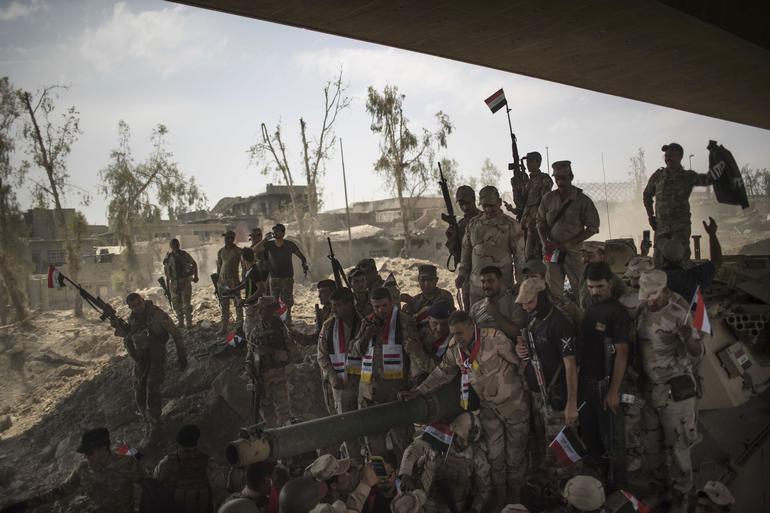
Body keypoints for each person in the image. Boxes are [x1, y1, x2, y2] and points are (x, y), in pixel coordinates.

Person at [402, 310, 529, 505]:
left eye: (460, 333)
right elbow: (442, 373)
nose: (456, 337)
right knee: (495, 457)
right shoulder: (455, 349)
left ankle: (515, 500)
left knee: (515, 458)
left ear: (472, 327)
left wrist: (524, 394)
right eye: (453, 333)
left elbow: (519, 363)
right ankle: (501, 500)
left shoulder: (494, 339)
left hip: (514, 406)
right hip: (488, 408)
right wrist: (419, 391)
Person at [636, 270, 703, 513]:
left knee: (678, 446)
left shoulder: (679, 311)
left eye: (654, 294)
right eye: (647, 295)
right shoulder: (641, 310)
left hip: (676, 389)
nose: (650, 299)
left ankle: (681, 497)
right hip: (651, 389)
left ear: (664, 289)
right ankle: (661, 489)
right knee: (651, 444)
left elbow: (697, 352)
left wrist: (689, 340)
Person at [513, 277, 578, 483]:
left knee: (562, 455)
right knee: (543, 449)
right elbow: (532, 353)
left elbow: (571, 365)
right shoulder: (532, 319)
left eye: (530, 302)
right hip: (538, 395)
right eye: (523, 303)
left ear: (542, 298)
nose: (525, 307)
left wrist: (571, 404)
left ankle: (569, 494)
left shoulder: (560, 323)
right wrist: (521, 349)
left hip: (557, 397)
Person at [349, 287, 420, 458]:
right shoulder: (367, 322)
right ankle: (380, 481)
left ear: (391, 303)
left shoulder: (404, 322)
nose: (380, 310)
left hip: (395, 393)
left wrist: (414, 386)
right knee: (374, 447)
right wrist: (366, 336)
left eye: (384, 306)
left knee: (402, 444)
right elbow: (354, 352)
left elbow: (414, 355)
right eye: (376, 307)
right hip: (369, 394)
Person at [578, 262, 630, 485]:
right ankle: (596, 487)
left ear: (609, 283)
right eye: (591, 287)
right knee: (591, 438)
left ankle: (620, 488)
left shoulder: (617, 312)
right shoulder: (590, 304)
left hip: (606, 385)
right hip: (587, 383)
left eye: (599, 286)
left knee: (614, 441)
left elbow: (622, 354)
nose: (595, 291)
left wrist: (614, 391)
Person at [115, 292, 188, 446]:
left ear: (143, 301)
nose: (137, 308)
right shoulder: (132, 319)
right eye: (133, 306)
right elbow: (129, 340)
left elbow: (175, 333)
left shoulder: (157, 315)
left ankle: (155, 427)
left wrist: (182, 355)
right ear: (129, 307)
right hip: (142, 359)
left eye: (139, 304)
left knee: (152, 389)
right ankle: (148, 423)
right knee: (138, 391)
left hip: (157, 357)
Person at [38, 427, 148, 513]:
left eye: (90, 453)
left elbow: (148, 483)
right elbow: (63, 490)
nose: (86, 457)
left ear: (103, 449)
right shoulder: (84, 468)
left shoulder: (126, 462)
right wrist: (32, 503)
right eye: (85, 453)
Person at [398, 412, 490, 513]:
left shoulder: (476, 455)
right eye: (462, 439)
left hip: (455, 507)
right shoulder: (439, 436)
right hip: (426, 499)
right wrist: (405, 473)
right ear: (454, 432)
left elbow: (484, 488)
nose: (465, 444)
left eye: (469, 441)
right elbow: (414, 449)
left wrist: (475, 509)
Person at [537, 161, 600, 301]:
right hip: (552, 250)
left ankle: (582, 317)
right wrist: (544, 242)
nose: (559, 181)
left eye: (563, 178)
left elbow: (593, 228)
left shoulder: (582, 201)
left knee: (581, 290)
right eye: (557, 178)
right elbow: (540, 222)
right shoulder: (548, 199)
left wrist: (569, 243)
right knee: (553, 290)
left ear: (571, 176)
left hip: (574, 252)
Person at [456, 185, 526, 306]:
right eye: (485, 206)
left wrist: (520, 282)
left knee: (502, 320)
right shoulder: (473, 224)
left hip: (502, 287)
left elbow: (519, 256)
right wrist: (462, 273)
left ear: (499, 202)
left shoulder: (511, 225)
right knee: (477, 320)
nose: (488, 209)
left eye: (491, 205)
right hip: (477, 287)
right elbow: (465, 251)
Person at [644, 143, 713, 264]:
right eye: (666, 155)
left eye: (672, 155)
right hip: (661, 227)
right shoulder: (658, 176)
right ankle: (661, 283)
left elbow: (707, 180)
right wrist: (651, 216)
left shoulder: (688, 176)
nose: (667, 158)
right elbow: (646, 195)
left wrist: (718, 164)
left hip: (680, 227)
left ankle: (683, 282)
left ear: (680, 157)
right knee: (658, 261)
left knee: (681, 260)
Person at [317, 287, 363, 457]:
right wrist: (332, 376)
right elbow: (322, 357)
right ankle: (354, 462)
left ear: (349, 305)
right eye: (332, 305)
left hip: (362, 383)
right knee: (346, 428)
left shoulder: (364, 323)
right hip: (341, 385)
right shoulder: (328, 327)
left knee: (366, 425)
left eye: (337, 305)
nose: (333, 309)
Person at [245, 296, 295, 427]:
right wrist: (249, 366)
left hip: (278, 377)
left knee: (283, 414)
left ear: (270, 310)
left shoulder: (282, 329)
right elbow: (250, 353)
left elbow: (291, 355)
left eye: (262, 309)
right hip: (260, 378)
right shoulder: (255, 332)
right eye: (259, 310)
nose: (259, 312)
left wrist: (271, 351)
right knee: (266, 416)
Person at [154, 424, 226, 513]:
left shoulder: (210, 465)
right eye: (186, 451)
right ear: (178, 448)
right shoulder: (166, 465)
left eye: (195, 450)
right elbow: (156, 493)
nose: (192, 455)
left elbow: (220, 496)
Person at [253, 224, 309, 325]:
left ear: (283, 233)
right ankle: (277, 321)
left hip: (287, 278)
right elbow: (255, 249)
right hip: (274, 278)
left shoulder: (289, 244)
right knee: (274, 302)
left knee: (287, 300)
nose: (275, 233)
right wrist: (265, 239)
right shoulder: (269, 245)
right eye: (274, 231)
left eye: (277, 231)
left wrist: (304, 265)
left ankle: (287, 320)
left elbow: (301, 256)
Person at [659, 217, 721, 302]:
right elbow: (716, 261)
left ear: (663, 257)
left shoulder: (653, 280)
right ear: (681, 259)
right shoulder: (691, 278)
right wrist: (712, 234)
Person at [444, 185, 481, 310]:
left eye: (467, 203)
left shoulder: (484, 220)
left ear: (474, 199)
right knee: (468, 307)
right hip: (466, 273)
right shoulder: (460, 225)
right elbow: (455, 252)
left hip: (484, 269)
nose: (465, 207)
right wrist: (451, 237)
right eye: (461, 204)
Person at [469, 266, 527, 341]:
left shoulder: (515, 303)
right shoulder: (476, 307)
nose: (486, 285)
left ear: (500, 281)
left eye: (490, 281)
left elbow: (518, 333)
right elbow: (470, 333)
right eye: (483, 282)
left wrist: (496, 315)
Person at [400, 264, 454, 341]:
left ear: (436, 280)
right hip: (420, 339)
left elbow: (437, 311)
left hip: (441, 337)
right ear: (418, 280)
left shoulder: (444, 295)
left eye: (430, 280)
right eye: (423, 280)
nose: (426, 284)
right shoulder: (416, 298)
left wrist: (413, 303)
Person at [407, 300, 454, 382]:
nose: (439, 329)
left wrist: (417, 353)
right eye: (435, 323)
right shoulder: (420, 321)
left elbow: (440, 370)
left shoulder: (454, 340)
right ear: (428, 319)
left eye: (444, 324)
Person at [520, 152, 554, 260]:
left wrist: (539, 219)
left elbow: (546, 201)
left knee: (537, 253)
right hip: (525, 219)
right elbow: (522, 201)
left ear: (538, 162)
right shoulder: (526, 180)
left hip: (537, 220)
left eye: (530, 161)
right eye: (527, 162)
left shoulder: (545, 179)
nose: (528, 164)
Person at [578, 241, 626, 309]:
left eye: (590, 255)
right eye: (583, 256)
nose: (584, 260)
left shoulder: (613, 281)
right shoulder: (584, 277)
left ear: (602, 257)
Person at [228, 247, 265, 338]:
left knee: (251, 331)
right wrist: (235, 289)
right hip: (250, 303)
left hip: (254, 304)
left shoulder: (254, 271)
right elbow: (247, 283)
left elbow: (261, 289)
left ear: (243, 258)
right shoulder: (250, 270)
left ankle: (252, 349)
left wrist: (246, 300)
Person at [163, 238, 199, 328]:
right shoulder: (168, 257)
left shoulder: (184, 255)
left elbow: (194, 264)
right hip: (174, 283)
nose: (175, 246)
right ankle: (181, 322)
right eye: (173, 245)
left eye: (176, 244)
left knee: (186, 304)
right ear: (171, 246)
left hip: (184, 282)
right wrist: (167, 287)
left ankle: (189, 323)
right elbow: (167, 273)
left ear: (179, 245)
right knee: (176, 304)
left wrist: (196, 276)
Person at [293, 280, 338, 347]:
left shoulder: (338, 311)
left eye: (323, 292)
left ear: (332, 293)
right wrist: (298, 336)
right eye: (319, 292)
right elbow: (318, 337)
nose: (319, 296)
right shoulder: (324, 311)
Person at [217, 230, 243, 334]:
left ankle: (240, 326)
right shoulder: (221, 251)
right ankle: (224, 327)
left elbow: (244, 265)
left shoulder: (238, 251)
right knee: (224, 306)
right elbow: (219, 267)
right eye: (225, 237)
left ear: (232, 238)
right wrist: (218, 282)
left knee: (238, 305)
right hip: (222, 282)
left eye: (228, 238)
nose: (226, 239)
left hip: (234, 281)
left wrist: (243, 280)